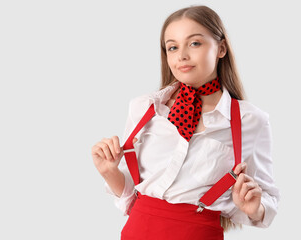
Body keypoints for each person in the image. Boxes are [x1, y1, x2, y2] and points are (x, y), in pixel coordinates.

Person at [91, 5, 280, 240]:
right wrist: (109, 172)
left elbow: (267, 198)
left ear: (221, 48)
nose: (181, 56)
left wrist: (254, 208)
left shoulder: (250, 120)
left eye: (195, 43)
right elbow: (131, 200)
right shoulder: (143, 108)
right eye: (172, 47)